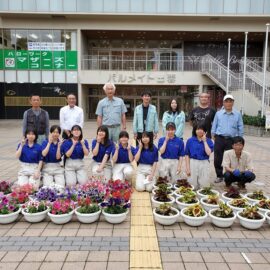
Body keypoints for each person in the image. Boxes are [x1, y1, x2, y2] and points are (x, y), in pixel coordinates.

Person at [211, 94, 244, 183]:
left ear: (233, 103)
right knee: (218, 158)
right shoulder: (218, 113)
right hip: (219, 138)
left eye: (230, 101)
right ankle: (219, 175)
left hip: (232, 140)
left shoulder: (237, 114)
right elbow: (214, 126)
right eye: (226, 101)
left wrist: (240, 140)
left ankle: (230, 176)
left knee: (232, 158)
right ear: (224, 103)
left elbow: (240, 127)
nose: (228, 103)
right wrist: (213, 136)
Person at [185, 124, 214, 189]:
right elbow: (187, 155)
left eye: (201, 129)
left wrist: (204, 141)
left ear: (205, 131)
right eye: (197, 129)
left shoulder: (209, 141)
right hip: (193, 162)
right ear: (195, 130)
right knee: (191, 185)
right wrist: (187, 168)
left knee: (204, 184)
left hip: (204, 163)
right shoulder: (190, 140)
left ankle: (202, 197)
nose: (199, 131)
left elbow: (209, 153)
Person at [41, 125, 65, 191]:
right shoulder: (45, 142)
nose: (55, 134)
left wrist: (59, 146)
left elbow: (58, 157)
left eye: (57, 132)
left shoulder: (61, 143)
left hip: (57, 167)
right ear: (50, 133)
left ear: (59, 134)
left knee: (61, 187)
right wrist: (49, 143)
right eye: (53, 132)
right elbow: (43, 154)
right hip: (47, 167)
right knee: (48, 188)